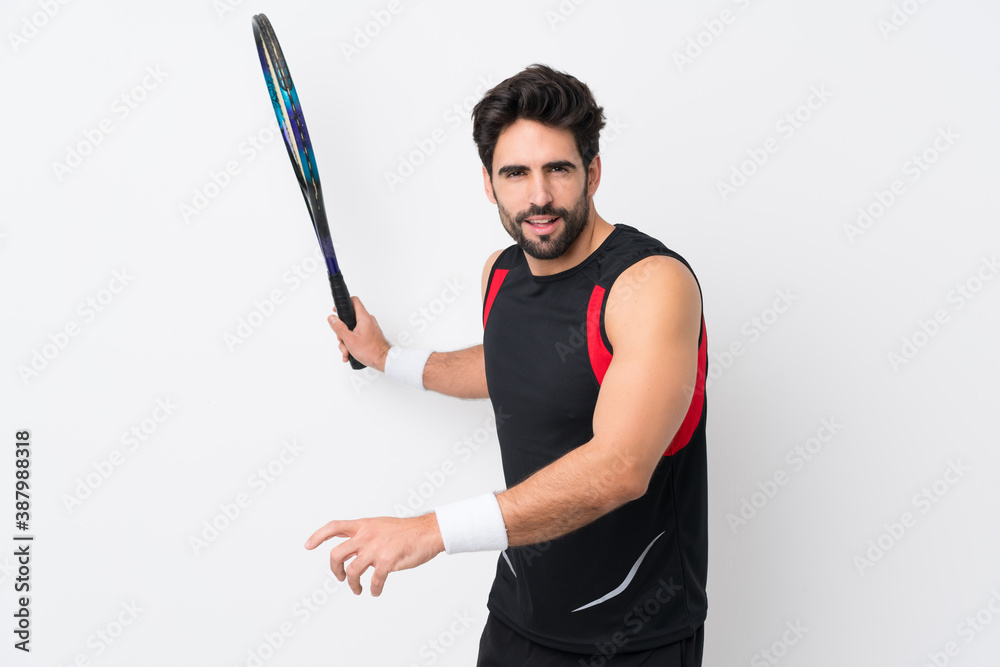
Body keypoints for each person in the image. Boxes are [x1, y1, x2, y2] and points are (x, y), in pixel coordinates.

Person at [304, 64, 708, 667]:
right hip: (518, 620)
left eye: (558, 169)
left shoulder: (649, 284)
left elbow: (620, 468)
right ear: (489, 184)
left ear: (593, 172)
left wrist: (431, 530)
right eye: (515, 173)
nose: (538, 197)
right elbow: (511, 367)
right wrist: (386, 357)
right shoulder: (502, 272)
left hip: (634, 637)